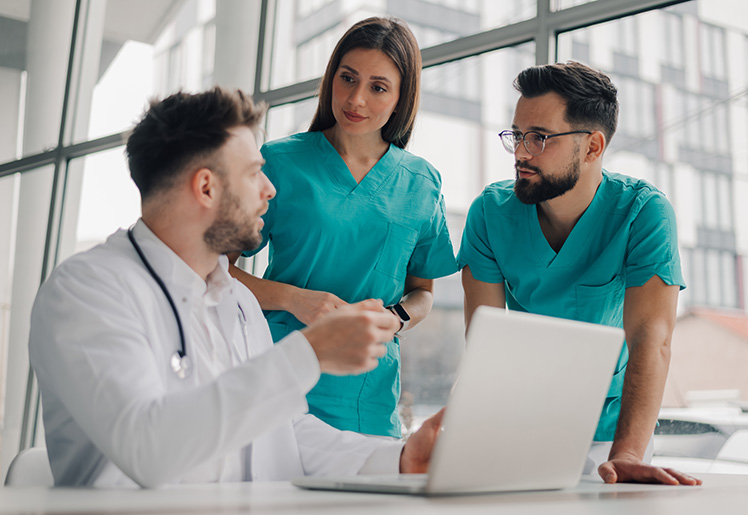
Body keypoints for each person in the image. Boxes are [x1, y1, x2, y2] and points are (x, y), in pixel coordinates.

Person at [28, 87, 442, 488]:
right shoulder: (88, 292)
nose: (270, 190)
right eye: (253, 173)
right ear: (206, 187)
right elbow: (147, 449)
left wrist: (400, 459)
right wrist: (309, 353)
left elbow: (281, 432)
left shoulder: (238, 300)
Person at [457, 62, 700, 486]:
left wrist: (625, 455)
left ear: (592, 147)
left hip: (614, 434)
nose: (520, 152)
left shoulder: (643, 213)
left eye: (539, 137)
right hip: (518, 426)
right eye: (517, 134)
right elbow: (484, 342)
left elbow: (651, 340)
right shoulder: (489, 214)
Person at [232, 17, 457, 438]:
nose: (356, 99)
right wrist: (295, 300)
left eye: (377, 87)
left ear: (400, 98)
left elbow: (423, 292)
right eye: (347, 78)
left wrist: (397, 318)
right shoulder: (279, 162)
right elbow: (217, 271)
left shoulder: (422, 181)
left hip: (368, 393)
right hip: (281, 373)